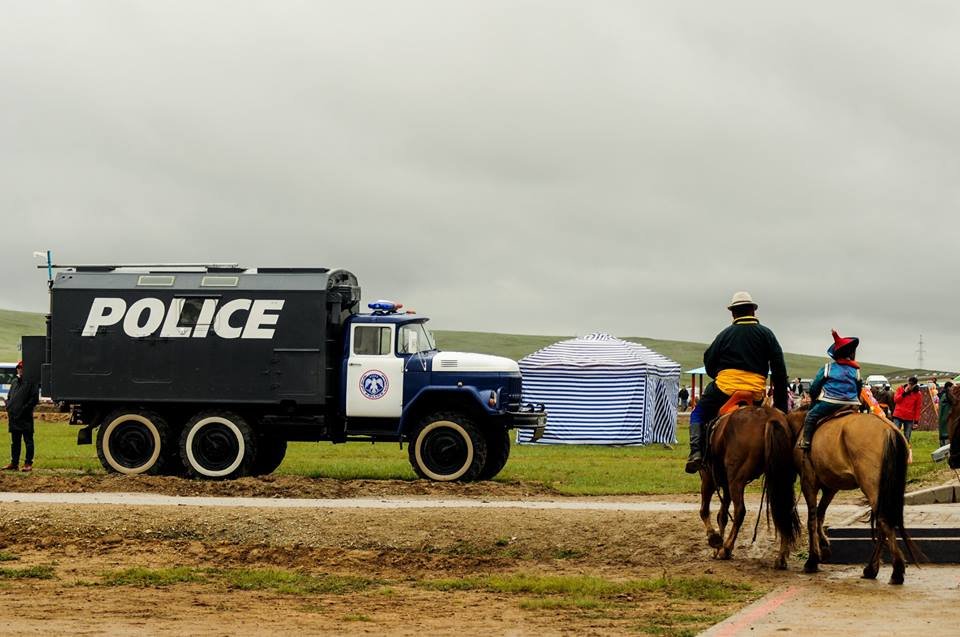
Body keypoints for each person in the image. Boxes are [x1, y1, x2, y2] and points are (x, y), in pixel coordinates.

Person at [685, 291, 788, 473]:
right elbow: (779, 371)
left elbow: (709, 360)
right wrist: (781, 408)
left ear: (733, 313)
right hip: (755, 393)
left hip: (725, 389)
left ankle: (696, 453)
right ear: (753, 312)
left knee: (698, 414)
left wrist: (718, 374)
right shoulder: (767, 334)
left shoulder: (724, 335)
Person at [799, 330, 862, 450]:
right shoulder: (856, 371)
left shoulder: (828, 368)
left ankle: (806, 441)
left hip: (830, 403)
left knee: (811, 416)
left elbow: (815, 386)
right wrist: (855, 399)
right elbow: (858, 388)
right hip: (851, 404)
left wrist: (815, 397)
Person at [3, 360, 39, 472]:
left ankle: (28, 464)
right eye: (18, 367)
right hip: (13, 418)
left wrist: (23, 410)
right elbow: (9, 397)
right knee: (15, 442)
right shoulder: (14, 382)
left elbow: (34, 399)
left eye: (22, 368)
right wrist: (9, 406)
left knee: (28, 441)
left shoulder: (32, 382)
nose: (20, 369)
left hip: (25, 418)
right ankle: (14, 463)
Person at [892, 376, 923, 443]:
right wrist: (904, 393)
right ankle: (894, 449)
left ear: (915, 385)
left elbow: (918, 408)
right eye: (909, 384)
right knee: (896, 434)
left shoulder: (918, 394)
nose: (910, 386)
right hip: (898, 415)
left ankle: (905, 451)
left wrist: (916, 422)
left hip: (909, 417)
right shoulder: (900, 389)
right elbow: (895, 400)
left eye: (912, 385)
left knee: (907, 436)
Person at [937, 381, 954, 447]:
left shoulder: (944, 395)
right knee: (946, 433)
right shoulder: (945, 395)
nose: (953, 389)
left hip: (944, 417)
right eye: (952, 387)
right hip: (945, 417)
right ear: (948, 387)